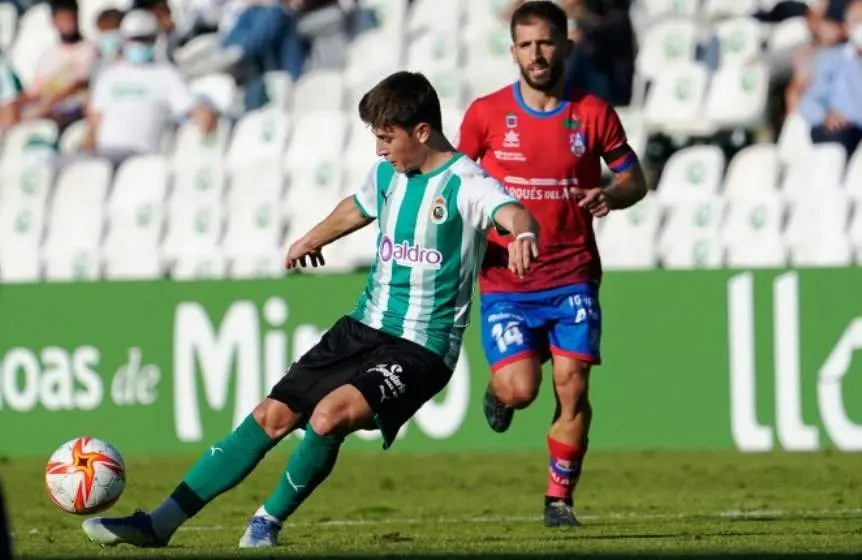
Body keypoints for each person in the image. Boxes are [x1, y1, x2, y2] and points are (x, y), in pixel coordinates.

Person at [80, 70, 540, 549]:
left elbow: (510, 212)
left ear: (421, 131)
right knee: (269, 416)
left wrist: (522, 234)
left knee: (329, 416)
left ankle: (265, 523)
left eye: (387, 138)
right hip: (363, 327)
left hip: (422, 346)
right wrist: (311, 238)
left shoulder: (465, 181)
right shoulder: (389, 174)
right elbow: (357, 207)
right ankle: (159, 523)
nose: (379, 150)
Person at [457, 0, 647, 528]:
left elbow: (636, 179)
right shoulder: (486, 115)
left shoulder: (594, 112)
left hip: (573, 274)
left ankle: (558, 500)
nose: (537, 55)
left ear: (566, 44)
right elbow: (456, 182)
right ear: (513, 50)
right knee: (521, 389)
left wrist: (613, 191)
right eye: (526, 44)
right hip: (506, 278)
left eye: (546, 43)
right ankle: (500, 391)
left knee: (574, 384)